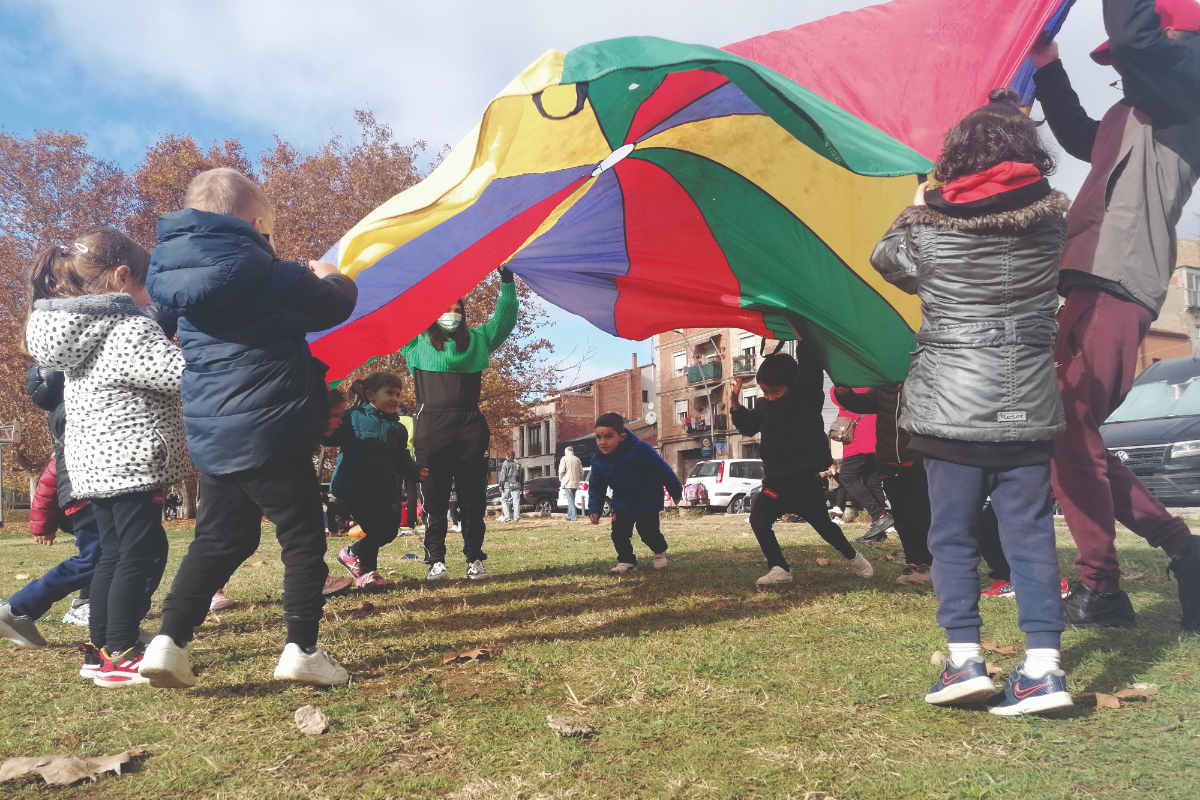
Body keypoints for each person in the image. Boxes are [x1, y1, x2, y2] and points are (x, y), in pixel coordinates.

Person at [872, 88, 1072, 715]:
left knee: (951, 537)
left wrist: (914, 207)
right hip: (1029, 404)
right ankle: (1044, 670)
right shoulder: (1052, 222)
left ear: (955, 158)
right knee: (1031, 534)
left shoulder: (928, 229)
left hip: (950, 409)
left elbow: (887, 262)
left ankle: (964, 661)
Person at [139, 167, 357, 689]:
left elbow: (161, 327)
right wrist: (332, 273)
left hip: (214, 432)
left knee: (219, 540)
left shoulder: (169, 285)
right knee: (301, 539)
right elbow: (334, 306)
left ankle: (168, 643)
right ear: (257, 223)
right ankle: (301, 650)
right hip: (275, 429)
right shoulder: (272, 272)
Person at [1030, 0, 1200, 631]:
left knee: (1066, 428)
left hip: (1120, 282)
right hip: (1086, 280)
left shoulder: (1185, 96)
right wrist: (1047, 69)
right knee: (1074, 432)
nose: (1123, 76)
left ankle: (1103, 588)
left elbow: (1136, 38)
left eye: (1129, 65)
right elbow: (1080, 134)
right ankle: (1183, 551)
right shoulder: (1130, 112)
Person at [25, 228, 188, 688]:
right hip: (132, 457)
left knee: (113, 555)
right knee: (133, 555)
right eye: (146, 285)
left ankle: (100, 649)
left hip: (93, 462)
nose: (149, 296)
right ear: (122, 277)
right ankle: (121, 651)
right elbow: (174, 375)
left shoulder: (76, 331)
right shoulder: (129, 325)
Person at [402, 268, 518, 580]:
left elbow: (504, 321)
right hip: (431, 423)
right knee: (435, 495)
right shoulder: (415, 341)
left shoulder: (479, 340)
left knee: (473, 497)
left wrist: (507, 283)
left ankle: (474, 560)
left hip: (470, 424)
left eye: (457, 309)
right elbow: (386, 322)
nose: (452, 314)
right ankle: (435, 560)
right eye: (446, 309)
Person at [729, 350, 874, 586]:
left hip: (804, 482)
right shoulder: (764, 406)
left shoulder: (806, 396)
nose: (770, 397)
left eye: (775, 391)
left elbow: (811, 362)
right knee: (759, 520)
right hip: (775, 483)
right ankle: (779, 567)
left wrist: (801, 331)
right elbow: (747, 426)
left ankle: (854, 557)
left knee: (824, 527)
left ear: (793, 384)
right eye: (765, 392)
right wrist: (735, 401)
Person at [326, 372, 429, 588]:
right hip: (353, 484)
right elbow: (333, 436)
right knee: (375, 529)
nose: (395, 398)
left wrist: (414, 470)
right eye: (389, 392)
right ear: (370, 395)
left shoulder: (398, 428)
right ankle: (367, 574)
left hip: (380, 486)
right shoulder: (352, 416)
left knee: (389, 530)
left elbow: (401, 457)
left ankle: (351, 553)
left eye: (398, 394)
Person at [832, 386, 933, 583]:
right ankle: (912, 562)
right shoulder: (882, 389)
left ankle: (927, 563)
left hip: (917, 459)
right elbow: (859, 403)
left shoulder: (923, 383)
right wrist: (844, 392)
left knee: (921, 515)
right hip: (889, 461)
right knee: (902, 517)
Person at [0, 456, 99, 651]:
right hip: (87, 506)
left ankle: (115, 619)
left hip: (105, 502)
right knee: (95, 558)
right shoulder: (73, 439)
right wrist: (42, 524)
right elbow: (47, 484)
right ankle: (19, 608)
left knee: (106, 559)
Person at [587, 413, 682, 573]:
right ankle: (627, 561)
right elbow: (596, 486)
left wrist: (676, 491)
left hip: (648, 500)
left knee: (648, 532)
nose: (602, 442)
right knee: (618, 533)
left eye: (609, 436)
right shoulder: (598, 460)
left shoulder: (641, 450)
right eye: (598, 437)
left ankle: (659, 551)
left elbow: (663, 471)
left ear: (622, 436)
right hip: (622, 502)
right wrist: (594, 509)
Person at [830, 388, 892, 542]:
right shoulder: (876, 388)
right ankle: (878, 532)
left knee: (847, 477)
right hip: (878, 441)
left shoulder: (850, 389)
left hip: (859, 442)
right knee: (873, 483)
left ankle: (880, 515)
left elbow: (835, 395)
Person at [559, 446, 584, 522]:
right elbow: (581, 472)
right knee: (572, 499)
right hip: (575, 482)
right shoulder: (577, 459)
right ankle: (570, 515)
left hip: (567, 482)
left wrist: (561, 479)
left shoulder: (564, 458)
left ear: (566, 452)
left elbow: (561, 470)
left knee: (570, 500)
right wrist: (578, 479)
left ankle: (573, 516)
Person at [498, 452, 522, 522]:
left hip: (507, 485)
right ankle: (516, 517)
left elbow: (503, 475)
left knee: (503, 499)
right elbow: (521, 476)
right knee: (516, 501)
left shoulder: (505, 463)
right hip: (516, 484)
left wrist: (501, 485)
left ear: (507, 455)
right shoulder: (518, 463)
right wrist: (521, 485)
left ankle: (507, 516)